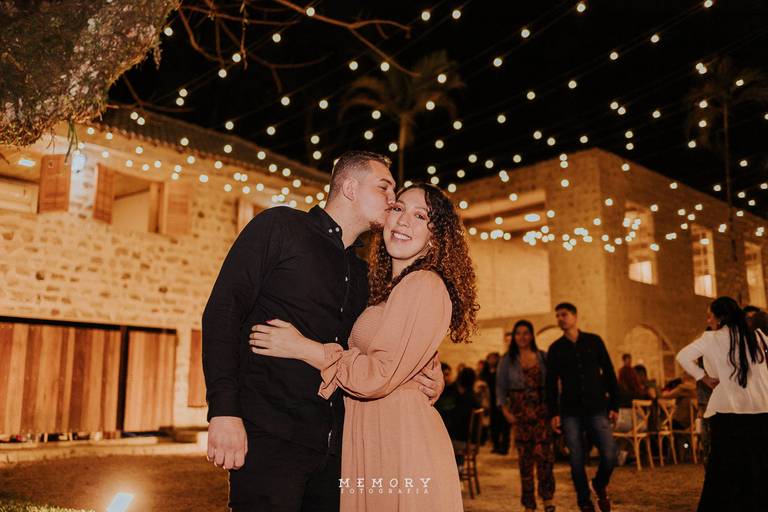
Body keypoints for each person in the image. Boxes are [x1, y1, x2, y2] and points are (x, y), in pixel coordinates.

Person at [201, 152, 443, 511]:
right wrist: (223, 411)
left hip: (337, 451)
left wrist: (430, 370)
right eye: (384, 188)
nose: (393, 200)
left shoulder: (362, 274)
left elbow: (378, 347)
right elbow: (223, 313)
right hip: (269, 436)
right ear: (350, 187)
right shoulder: (279, 226)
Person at [248, 183, 479, 511]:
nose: (403, 220)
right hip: (372, 437)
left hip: (400, 443)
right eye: (398, 208)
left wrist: (302, 348)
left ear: (436, 236)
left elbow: (377, 375)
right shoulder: (386, 290)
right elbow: (401, 351)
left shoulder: (424, 284)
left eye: (420, 216)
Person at [676, 297, 768, 512]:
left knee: (724, 468)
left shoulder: (711, 338)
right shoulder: (757, 336)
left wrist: (703, 377)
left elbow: (683, 356)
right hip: (761, 408)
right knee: (758, 466)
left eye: (710, 316)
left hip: (728, 410)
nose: (708, 320)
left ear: (721, 317)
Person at [546, 303, 619, 512]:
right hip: (570, 411)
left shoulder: (594, 341)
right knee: (576, 459)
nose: (561, 318)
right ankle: (584, 502)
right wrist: (553, 413)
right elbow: (551, 383)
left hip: (597, 407)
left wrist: (614, 404)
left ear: (575, 316)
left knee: (610, 453)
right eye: (558, 315)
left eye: (564, 314)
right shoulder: (556, 348)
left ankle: (599, 484)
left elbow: (609, 372)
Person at [497, 320, 556, 512]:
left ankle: (548, 498)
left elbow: (552, 386)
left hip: (542, 414)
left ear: (532, 335)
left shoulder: (543, 357)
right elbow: (500, 389)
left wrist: (555, 411)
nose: (522, 337)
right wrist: (506, 411)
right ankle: (529, 504)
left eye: (526, 333)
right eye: (518, 333)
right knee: (525, 461)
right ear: (514, 336)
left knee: (545, 458)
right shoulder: (507, 360)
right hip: (520, 414)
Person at [482, 352, 510, 454]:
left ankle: (504, 447)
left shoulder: (501, 370)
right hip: (492, 400)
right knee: (494, 424)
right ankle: (496, 445)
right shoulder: (486, 372)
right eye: (490, 358)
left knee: (504, 424)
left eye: (494, 358)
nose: (492, 360)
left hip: (502, 399)